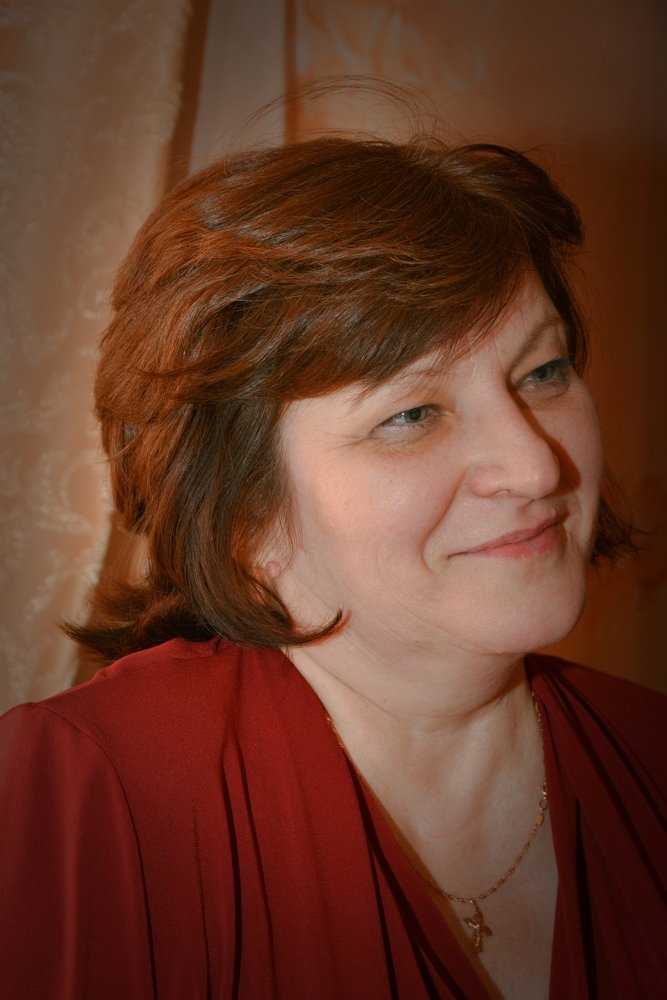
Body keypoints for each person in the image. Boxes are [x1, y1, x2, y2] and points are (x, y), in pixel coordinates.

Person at [0, 132, 665, 1000]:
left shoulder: (650, 757)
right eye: (411, 414)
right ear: (241, 513)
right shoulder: (93, 794)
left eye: (542, 371)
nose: (536, 467)